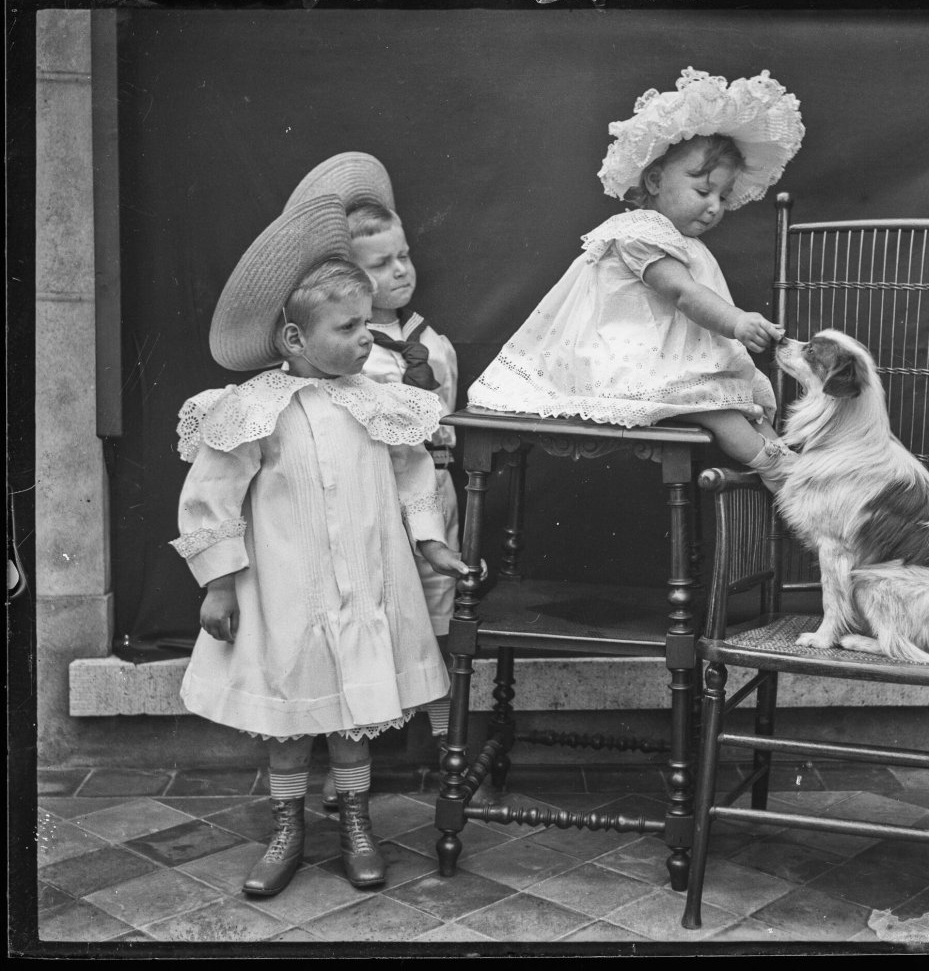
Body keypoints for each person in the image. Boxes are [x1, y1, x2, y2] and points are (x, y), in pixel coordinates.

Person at [170, 195, 468, 897]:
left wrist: (430, 542)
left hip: (364, 583)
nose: (366, 339)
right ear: (296, 339)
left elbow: (414, 471)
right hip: (286, 591)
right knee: (291, 712)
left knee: (354, 714)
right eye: (349, 327)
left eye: (367, 324)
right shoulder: (253, 408)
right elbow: (212, 495)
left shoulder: (376, 399)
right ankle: (288, 827)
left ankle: (356, 821)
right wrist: (218, 582)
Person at [467, 67, 806, 489]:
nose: (715, 206)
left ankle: (790, 465)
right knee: (720, 410)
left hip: (667, 356)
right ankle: (776, 468)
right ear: (655, 180)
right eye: (703, 191)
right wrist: (737, 322)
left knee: (740, 404)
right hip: (620, 359)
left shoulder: (683, 241)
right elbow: (683, 293)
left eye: (723, 196)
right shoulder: (640, 231)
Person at [284, 153, 463, 811]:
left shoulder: (432, 344)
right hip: (367, 504)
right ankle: (348, 760)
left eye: (404, 256)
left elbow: (444, 418)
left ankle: (445, 742)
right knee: (364, 616)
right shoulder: (342, 351)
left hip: (430, 493)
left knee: (435, 613)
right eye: (382, 264)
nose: (401, 271)